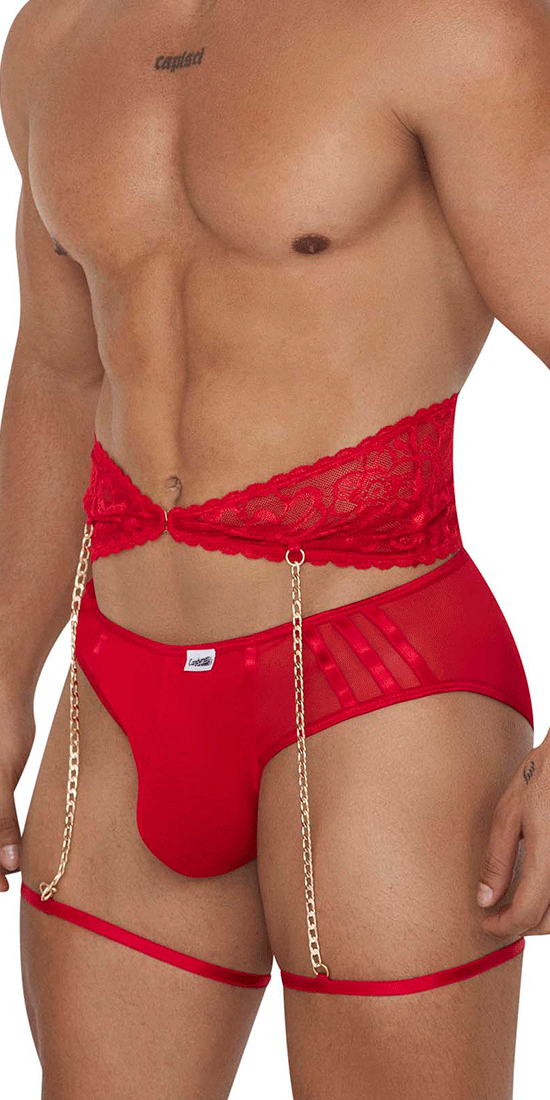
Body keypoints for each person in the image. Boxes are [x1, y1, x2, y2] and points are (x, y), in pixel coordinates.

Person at [0, 0, 549, 1096]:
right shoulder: (56, 35)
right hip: (118, 693)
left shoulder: (455, 24)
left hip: (382, 686)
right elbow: (61, 370)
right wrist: (3, 674)